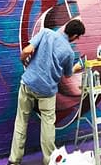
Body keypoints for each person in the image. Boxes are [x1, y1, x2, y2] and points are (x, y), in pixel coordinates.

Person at [7, 19, 85, 165]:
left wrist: (24, 61)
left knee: (21, 122)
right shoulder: (69, 52)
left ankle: (14, 160)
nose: (77, 39)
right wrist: (77, 68)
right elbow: (67, 75)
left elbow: (26, 51)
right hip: (47, 91)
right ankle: (49, 160)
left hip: (28, 83)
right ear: (74, 35)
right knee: (48, 126)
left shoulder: (45, 33)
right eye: (78, 36)